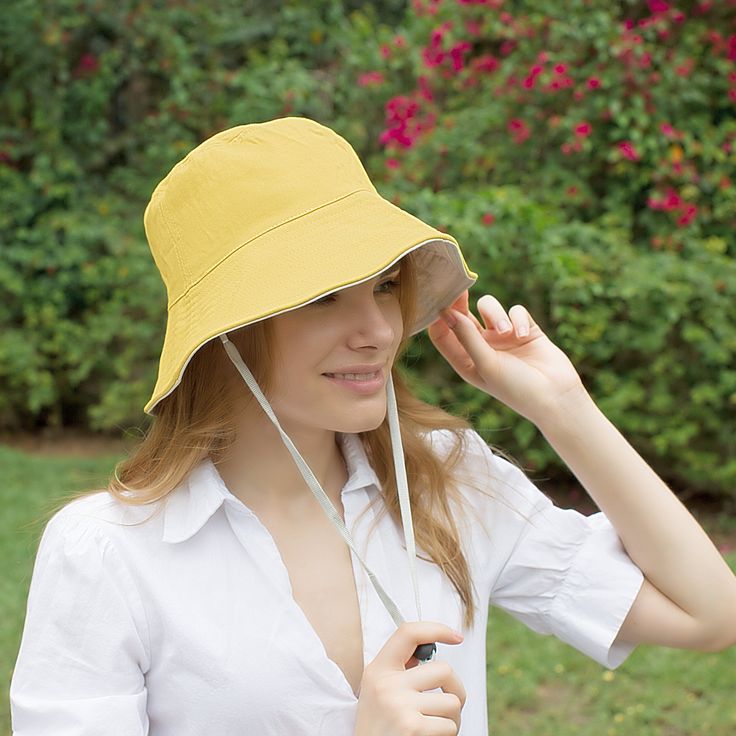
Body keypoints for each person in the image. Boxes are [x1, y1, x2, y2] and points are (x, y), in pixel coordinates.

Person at [9, 117, 736, 736]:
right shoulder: (109, 553)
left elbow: (708, 613)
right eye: (324, 295)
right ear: (226, 333)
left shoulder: (450, 480)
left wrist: (562, 407)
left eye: (385, 287)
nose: (378, 329)